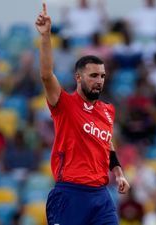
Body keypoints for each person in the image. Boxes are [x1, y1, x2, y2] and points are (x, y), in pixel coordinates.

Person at [35, 3, 130, 225]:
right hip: (70, 194)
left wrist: (118, 173)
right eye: (93, 75)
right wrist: (46, 36)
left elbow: (107, 143)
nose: (99, 81)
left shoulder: (107, 110)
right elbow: (47, 75)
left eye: (102, 76)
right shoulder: (64, 104)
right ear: (78, 77)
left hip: (101, 196)